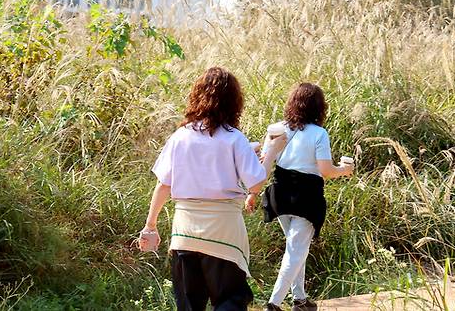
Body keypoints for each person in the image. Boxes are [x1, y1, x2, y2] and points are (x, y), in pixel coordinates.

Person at [138, 67, 287, 311]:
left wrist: (150, 226)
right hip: (222, 231)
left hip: (184, 232)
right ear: (234, 102)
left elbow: (163, 185)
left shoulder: (179, 137)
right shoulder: (234, 138)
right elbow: (256, 183)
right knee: (231, 299)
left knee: (188, 305)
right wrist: (271, 152)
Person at [261, 83, 355, 311]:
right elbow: (325, 170)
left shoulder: (276, 128)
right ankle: (273, 304)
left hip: (279, 193)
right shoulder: (319, 133)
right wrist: (344, 169)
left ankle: (300, 299)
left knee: (295, 248)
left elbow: (265, 161)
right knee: (296, 250)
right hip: (306, 197)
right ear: (319, 108)